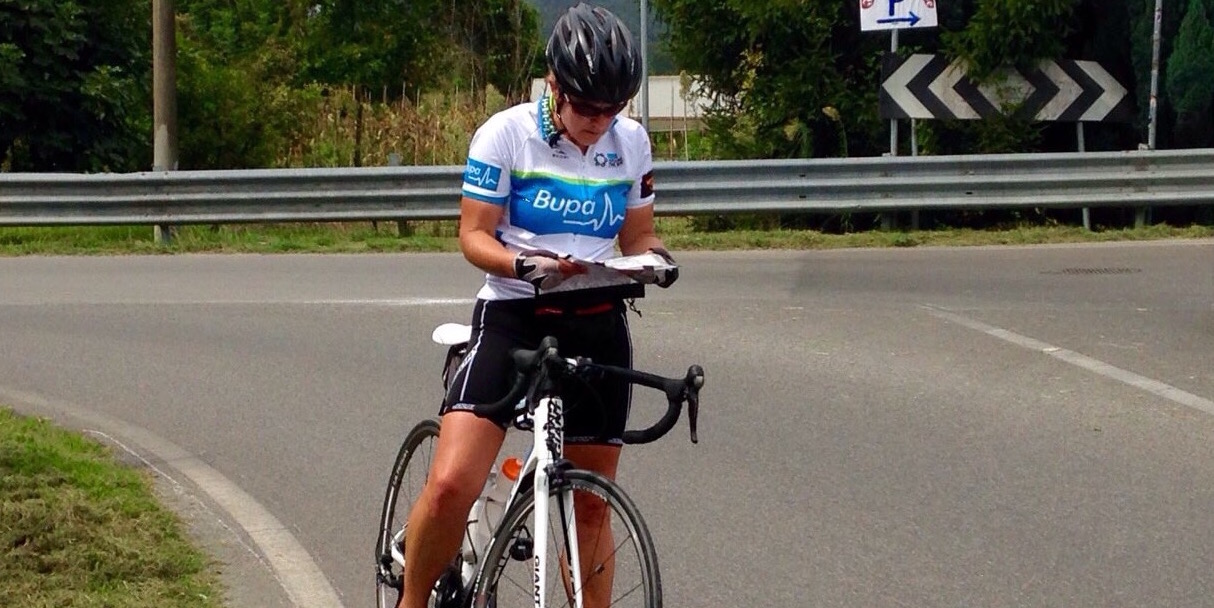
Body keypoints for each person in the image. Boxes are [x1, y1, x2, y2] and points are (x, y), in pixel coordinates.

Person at [396, 4, 678, 608]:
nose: (599, 122)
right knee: (450, 485)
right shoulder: (505, 134)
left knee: (591, 503)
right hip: (515, 313)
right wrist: (524, 265)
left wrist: (657, 259)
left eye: (614, 108)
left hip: (598, 320)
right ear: (554, 84)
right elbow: (474, 236)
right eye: (587, 107)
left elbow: (637, 236)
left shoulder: (631, 143)